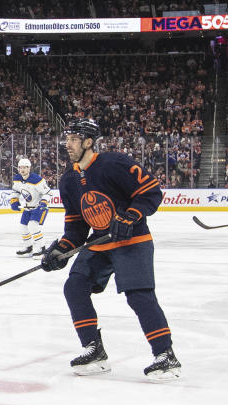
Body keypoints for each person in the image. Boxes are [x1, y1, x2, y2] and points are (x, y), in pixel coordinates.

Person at [40, 118, 181, 382]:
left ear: (88, 141)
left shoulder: (115, 163)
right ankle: (94, 351)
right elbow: (76, 229)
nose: (67, 144)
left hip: (133, 240)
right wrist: (61, 250)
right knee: (74, 286)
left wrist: (131, 216)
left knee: (138, 296)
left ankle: (165, 355)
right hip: (101, 242)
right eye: (66, 139)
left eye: (73, 139)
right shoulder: (68, 180)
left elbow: (151, 193)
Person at [10, 156, 51, 256]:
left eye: (24, 167)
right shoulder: (17, 179)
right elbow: (15, 191)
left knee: (33, 226)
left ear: (29, 168)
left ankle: (41, 248)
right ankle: (28, 247)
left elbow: (48, 193)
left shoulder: (37, 180)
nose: (22, 170)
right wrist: (14, 200)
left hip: (39, 207)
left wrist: (44, 202)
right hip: (28, 207)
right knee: (23, 227)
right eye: (20, 168)